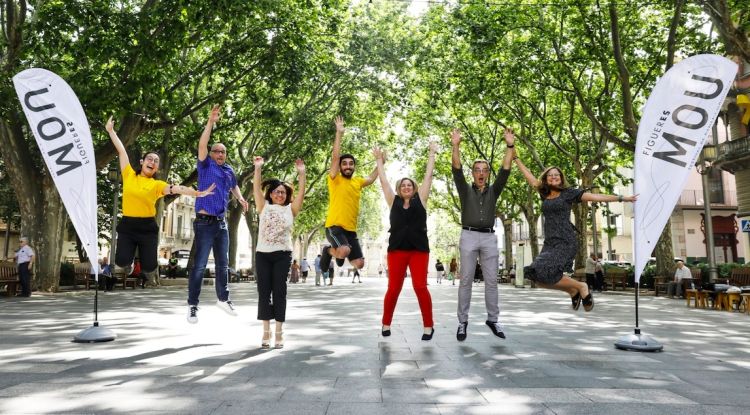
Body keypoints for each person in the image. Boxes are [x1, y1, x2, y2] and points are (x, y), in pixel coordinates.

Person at [514, 155, 638, 312]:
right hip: (550, 242)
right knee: (536, 276)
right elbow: (530, 178)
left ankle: (581, 286)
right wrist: (515, 157)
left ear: (561, 178)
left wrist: (622, 198)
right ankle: (573, 290)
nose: (553, 177)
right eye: (550, 175)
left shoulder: (568, 193)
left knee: (546, 272)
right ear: (546, 179)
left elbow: (595, 196)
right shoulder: (544, 193)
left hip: (566, 240)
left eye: (556, 175)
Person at [106, 116, 215, 291]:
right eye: (150, 159)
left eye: (156, 161)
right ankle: (129, 265)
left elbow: (176, 188)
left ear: (157, 168)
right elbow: (121, 151)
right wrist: (111, 131)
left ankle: (143, 267)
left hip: (147, 226)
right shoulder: (128, 175)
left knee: (150, 267)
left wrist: (196, 192)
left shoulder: (157, 185)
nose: (153, 162)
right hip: (128, 224)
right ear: (142, 162)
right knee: (121, 261)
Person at [186, 105, 249, 324]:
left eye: (223, 152)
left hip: (221, 223)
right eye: (217, 151)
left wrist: (240, 198)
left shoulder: (228, 170)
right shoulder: (205, 165)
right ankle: (193, 305)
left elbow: (234, 186)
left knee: (224, 265)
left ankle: (223, 299)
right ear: (211, 154)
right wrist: (210, 122)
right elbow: (202, 144)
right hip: (204, 222)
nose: (220, 154)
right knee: (200, 266)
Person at [451, 127, 514, 341]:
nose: (480, 173)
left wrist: (510, 145)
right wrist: (456, 145)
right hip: (468, 236)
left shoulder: (494, 191)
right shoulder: (464, 189)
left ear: (487, 174)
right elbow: (456, 168)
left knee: (492, 281)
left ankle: (493, 320)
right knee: (466, 279)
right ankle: (462, 322)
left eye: (484, 170)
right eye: (477, 169)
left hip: (488, 237)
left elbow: (505, 169)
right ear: (473, 173)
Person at [373, 143, 437, 341]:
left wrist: (432, 154)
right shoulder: (393, 201)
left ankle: (428, 326)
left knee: (420, 287)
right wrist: (378, 160)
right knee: (393, 288)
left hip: (419, 250)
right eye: (403, 185)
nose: (406, 187)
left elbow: (428, 177)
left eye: (409, 185)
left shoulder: (422, 199)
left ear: (414, 188)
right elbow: (383, 181)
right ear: (399, 189)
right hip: (397, 250)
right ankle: (385, 324)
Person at [253, 156, 306, 349]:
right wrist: (258, 168)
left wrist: (302, 173)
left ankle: (279, 333)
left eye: (283, 192)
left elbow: (301, 193)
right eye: (276, 192)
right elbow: (256, 188)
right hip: (263, 255)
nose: (280, 195)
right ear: (270, 194)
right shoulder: (263, 207)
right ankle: (266, 331)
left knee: (280, 292)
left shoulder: (291, 209)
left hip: (283, 255)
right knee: (264, 292)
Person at [318, 116, 378, 275]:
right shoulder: (334, 179)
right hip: (334, 227)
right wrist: (339, 133)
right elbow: (335, 157)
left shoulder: (357, 182)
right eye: (344, 164)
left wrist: (380, 162)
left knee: (359, 264)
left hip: (351, 230)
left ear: (354, 167)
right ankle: (329, 251)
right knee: (343, 250)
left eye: (351, 164)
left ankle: (338, 253)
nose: (348, 166)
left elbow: (371, 178)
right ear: (340, 167)